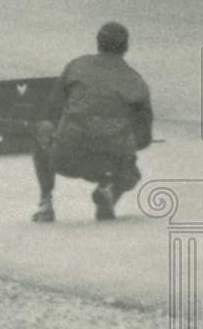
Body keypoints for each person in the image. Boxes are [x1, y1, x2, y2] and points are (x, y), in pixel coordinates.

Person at [32, 22, 153, 222]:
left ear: (98, 43)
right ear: (126, 47)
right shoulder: (136, 81)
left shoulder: (77, 66)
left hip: (67, 157)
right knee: (131, 172)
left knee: (42, 135)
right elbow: (145, 137)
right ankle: (109, 190)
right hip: (110, 162)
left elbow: (51, 109)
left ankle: (46, 204)